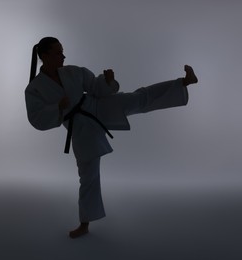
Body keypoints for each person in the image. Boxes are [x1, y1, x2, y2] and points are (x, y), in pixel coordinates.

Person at [25, 37, 198, 239]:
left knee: (137, 98)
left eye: (63, 51)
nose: (63, 56)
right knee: (88, 176)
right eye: (57, 52)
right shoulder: (34, 88)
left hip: (98, 107)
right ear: (44, 56)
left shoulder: (72, 71)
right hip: (80, 128)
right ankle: (84, 224)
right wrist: (58, 108)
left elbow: (95, 87)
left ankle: (184, 82)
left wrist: (106, 81)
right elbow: (36, 118)